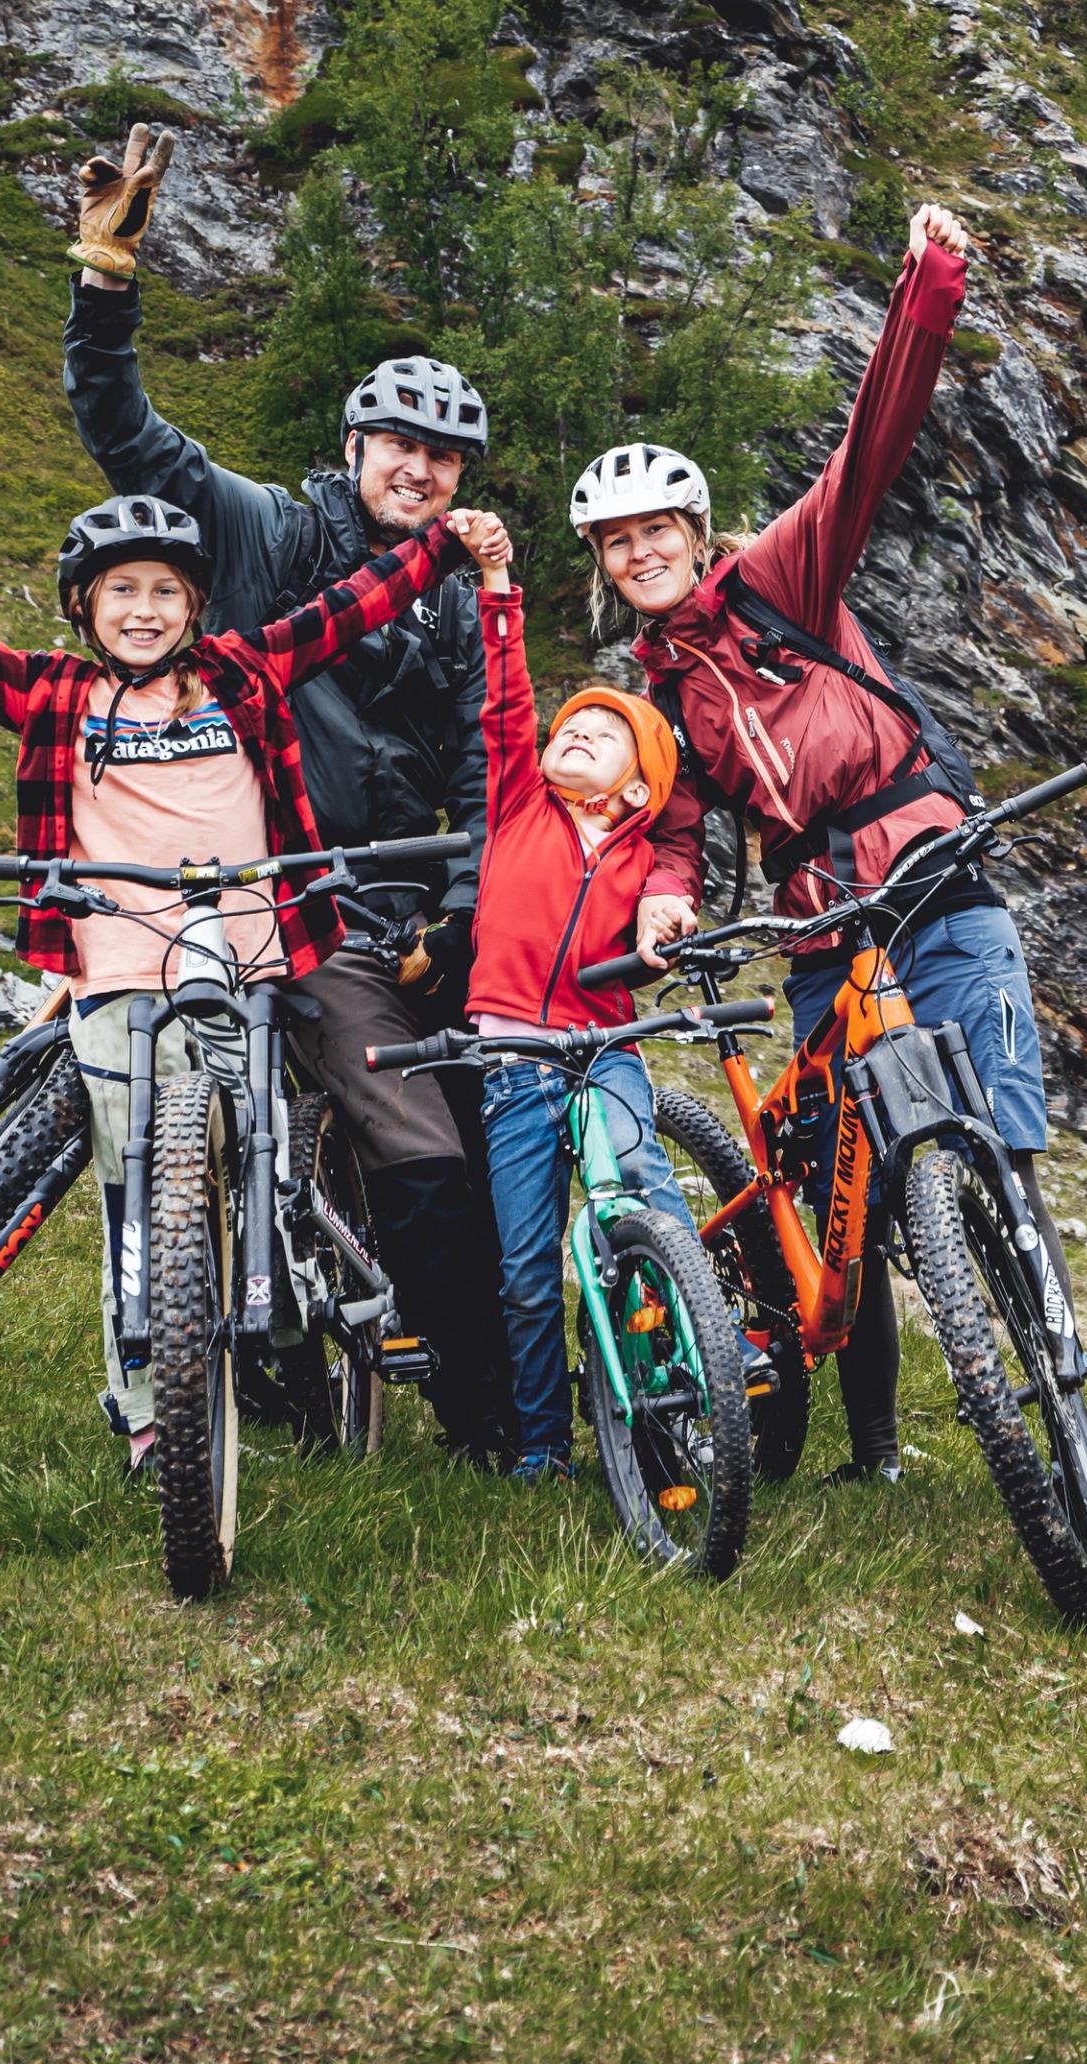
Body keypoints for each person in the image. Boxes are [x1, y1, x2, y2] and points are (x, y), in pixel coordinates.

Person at [0, 484, 494, 1464]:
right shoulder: (54, 695)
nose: (144, 609)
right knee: (135, 1166)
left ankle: (288, 1326)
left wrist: (443, 547)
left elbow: (353, 607)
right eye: (121, 590)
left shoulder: (243, 674)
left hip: (253, 953)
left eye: (165, 590)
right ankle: (149, 1401)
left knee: (267, 1152)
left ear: (195, 604)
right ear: (83, 606)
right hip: (120, 964)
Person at [57, 126, 518, 1462]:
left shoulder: (455, 593)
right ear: (357, 442)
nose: (418, 469)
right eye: (398, 443)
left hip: (418, 909)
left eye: (443, 457)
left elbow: (486, 762)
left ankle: (532, 1361)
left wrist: (463, 905)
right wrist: (106, 275)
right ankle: (490, 1420)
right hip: (290, 909)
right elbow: (124, 434)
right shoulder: (270, 535)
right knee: (414, 1134)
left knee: (512, 1126)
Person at [577, 201, 1042, 1484]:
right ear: (606, 566)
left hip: (934, 875)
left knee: (992, 1130)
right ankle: (878, 1448)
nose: (642, 552)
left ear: (695, 526)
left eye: (658, 529)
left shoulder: (785, 579)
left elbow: (869, 444)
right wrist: (663, 906)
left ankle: (1041, 1342)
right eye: (619, 545)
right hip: (819, 921)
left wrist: (926, 282)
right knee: (853, 1186)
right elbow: (669, 834)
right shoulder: (658, 699)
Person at [444, 511, 702, 1482]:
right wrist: (499, 588)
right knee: (523, 1271)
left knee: (644, 1209)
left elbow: (676, 888)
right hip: (514, 1062)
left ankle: (682, 1385)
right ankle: (544, 1442)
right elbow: (508, 703)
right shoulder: (520, 802)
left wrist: (668, 923)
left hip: (608, 1052)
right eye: (574, 727)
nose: (577, 734)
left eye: (605, 733)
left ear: (639, 790)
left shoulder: (643, 854)